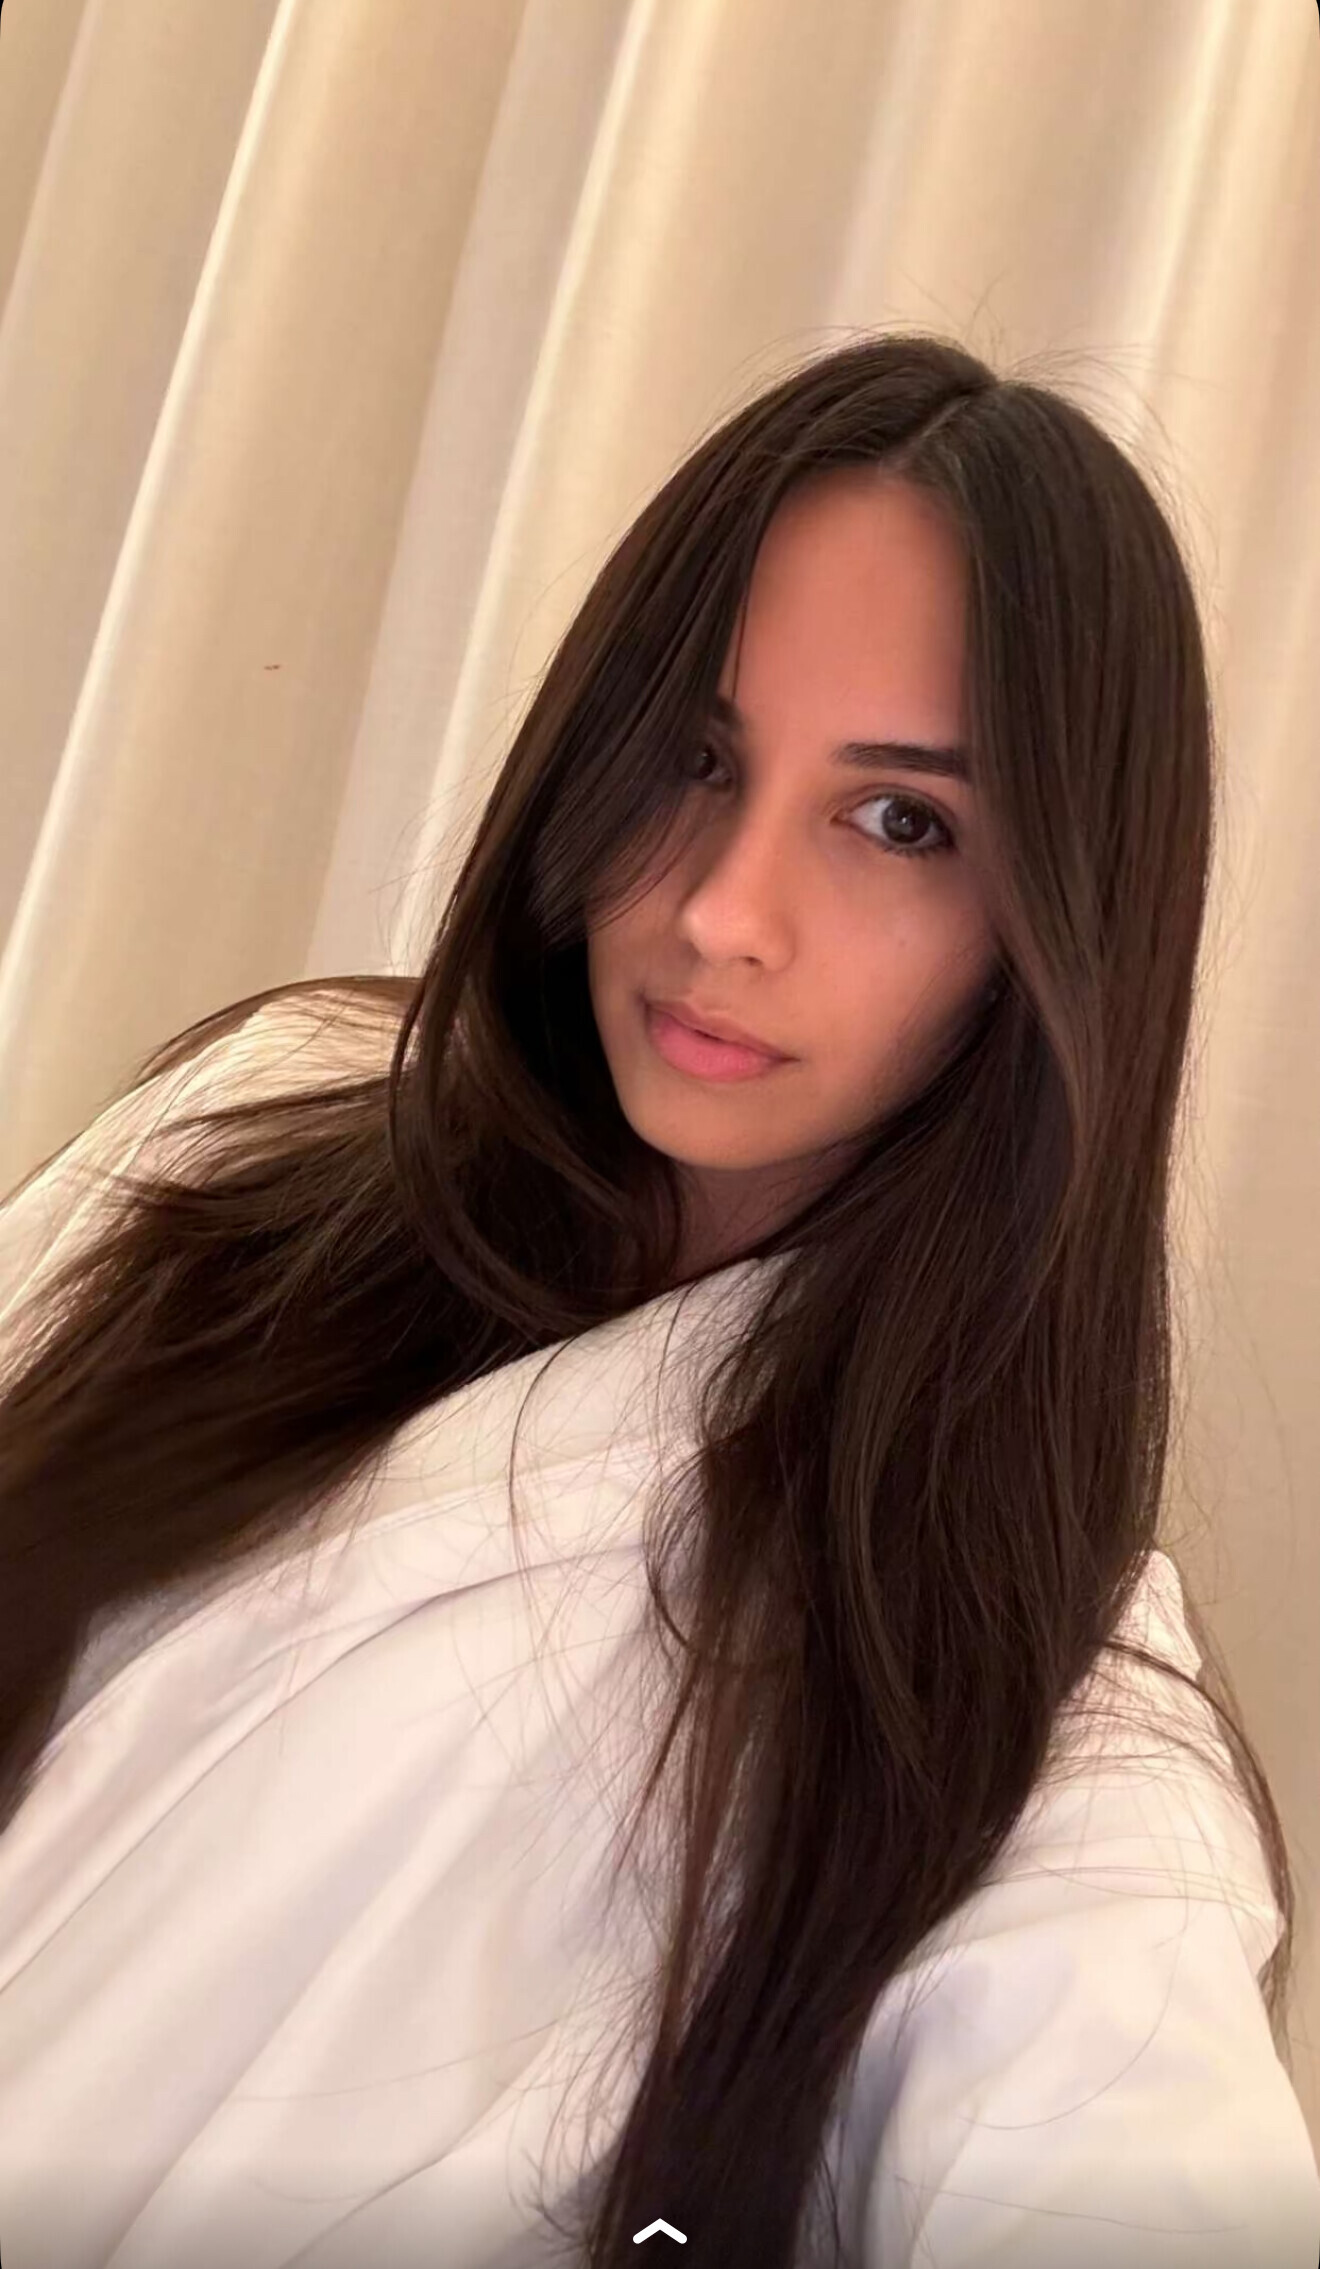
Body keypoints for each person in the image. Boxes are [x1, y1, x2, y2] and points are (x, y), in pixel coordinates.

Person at [0, 331, 1315, 2269]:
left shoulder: (1026, 1722)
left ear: (1056, 927)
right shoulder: (249, 1145)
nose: (720, 911)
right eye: (699, 759)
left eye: (901, 822)